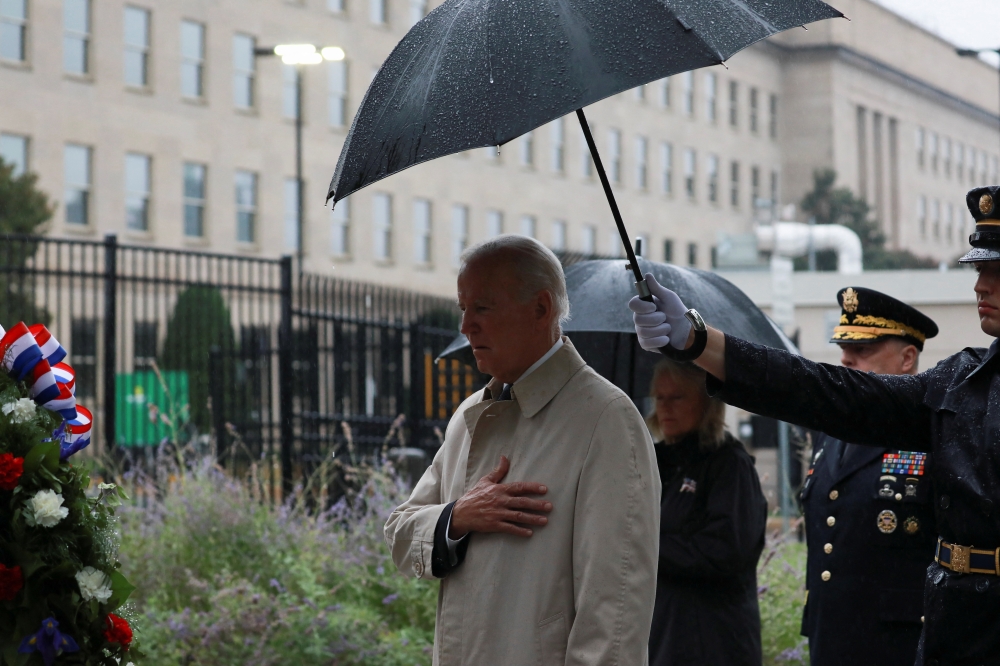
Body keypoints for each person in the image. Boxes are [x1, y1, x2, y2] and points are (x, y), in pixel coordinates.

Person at [629, 185, 1000, 666]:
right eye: (979, 269)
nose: (979, 285)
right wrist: (699, 342)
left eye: (995, 270)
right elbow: (829, 391)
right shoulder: (963, 383)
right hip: (956, 633)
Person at [385, 235, 661, 666]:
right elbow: (400, 533)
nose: (465, 326)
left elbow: (614, 612)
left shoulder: (607, 420)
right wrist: (457, 516)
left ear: (541, 309)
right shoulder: (468, 415)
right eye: (463, 308)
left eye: (483, 308)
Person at [799, 287, 940, 666]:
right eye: (844, 348)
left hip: (899, 644)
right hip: (830, 637)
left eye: (862, 350)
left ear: (907, 358)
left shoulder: (931, 431)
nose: (845, 359)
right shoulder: (828, 433)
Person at [645, 359, 767, 666]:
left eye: (677, 397)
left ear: (706, 403)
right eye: (660, 397)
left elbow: (725, 550)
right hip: (661, 632)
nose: (666, 407)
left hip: (712, 638)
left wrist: (643, 547)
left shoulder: (729, 464)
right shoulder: (651, 461)